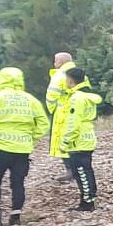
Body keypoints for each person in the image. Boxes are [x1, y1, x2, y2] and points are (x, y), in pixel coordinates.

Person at [0, 66, 49, 226]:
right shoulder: (31, 100)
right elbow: (43, 124)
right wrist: (31, 139)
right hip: (22, 149)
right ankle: (15, 215)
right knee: (18, 183)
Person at [60, 68, 102, 212]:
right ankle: (91, 197)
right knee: (87, 170)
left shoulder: (76, 98)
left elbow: (74, 123)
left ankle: (87, 202)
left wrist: (65, 142)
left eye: (66, 79)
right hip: (87, 137)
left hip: (78, 141)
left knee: (81, 172)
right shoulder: (86, 96)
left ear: (71, 80)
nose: (65, 82)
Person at [45, 52, 77, 181]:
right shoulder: (79, 73)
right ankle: (78, 170)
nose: (54, 64)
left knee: (62, 141)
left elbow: (51, 95)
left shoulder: (60, 75)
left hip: (62, 112)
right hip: (77, 110)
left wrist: (52, 109)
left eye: (56, 61)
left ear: (62, 62)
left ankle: (70, 171)